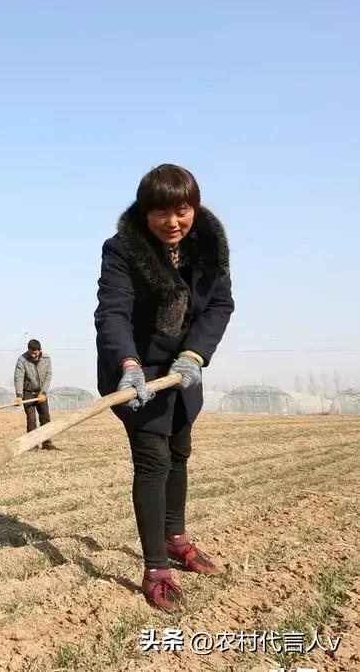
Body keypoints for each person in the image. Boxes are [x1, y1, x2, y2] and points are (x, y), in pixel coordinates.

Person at [94, 164, 234, 611]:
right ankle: (156, 566)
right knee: (153, 460)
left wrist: (194, 355)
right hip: (134, 369)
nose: (171, 222)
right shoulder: (122, 250)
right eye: (159, 212)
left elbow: (220, 305)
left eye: (181, 210)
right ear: (144, 212)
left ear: (193, 208)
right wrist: (129, 364)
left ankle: (176, 538)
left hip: (183, 367)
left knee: (179, 451)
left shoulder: (209, 248)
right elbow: (112, 312)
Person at [13, 339, 56, 450]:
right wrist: (19, 395)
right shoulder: (22, 360)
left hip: (41, 393)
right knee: (31, 419)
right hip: (28, 392)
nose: (33, 355)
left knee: (45, 417)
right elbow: (18, 377)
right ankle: (31, 445)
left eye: (35, 353)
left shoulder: (46, 359)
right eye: (31, 352)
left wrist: (43, 392)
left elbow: (48, 376)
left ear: (40, 350)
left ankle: (47, 443)